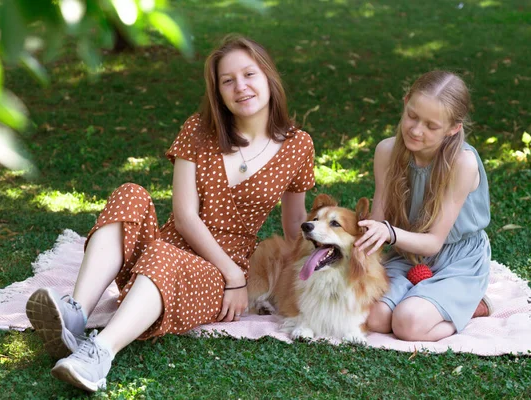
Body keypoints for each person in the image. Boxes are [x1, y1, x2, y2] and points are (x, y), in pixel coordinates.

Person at [25, 35, 315, 392]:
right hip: (168, 253)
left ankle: (98, 354)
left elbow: (294, 227)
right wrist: (235, 277)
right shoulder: (198, 129)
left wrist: (324, 262)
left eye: (249, 74)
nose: (240, 87)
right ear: (218, 91)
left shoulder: (298, 146)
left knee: (166, 255)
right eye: (228, 80)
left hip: (219, 276)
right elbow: (183, 216)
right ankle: (75, 315)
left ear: (269, 76)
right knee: (130, 194)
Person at [354, 70, 491, 342]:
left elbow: (433, 243)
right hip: (405, 255)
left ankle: (469, 306)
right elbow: (379, 221)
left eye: (431, 126)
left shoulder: (462, 164)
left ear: (454, 128)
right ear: (406, 102)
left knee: (407, 324)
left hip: (457, 258)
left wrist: (389, 233)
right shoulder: (386, 152)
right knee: (375, 318)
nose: (416, 130)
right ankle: (426, 300)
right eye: (412, 116)